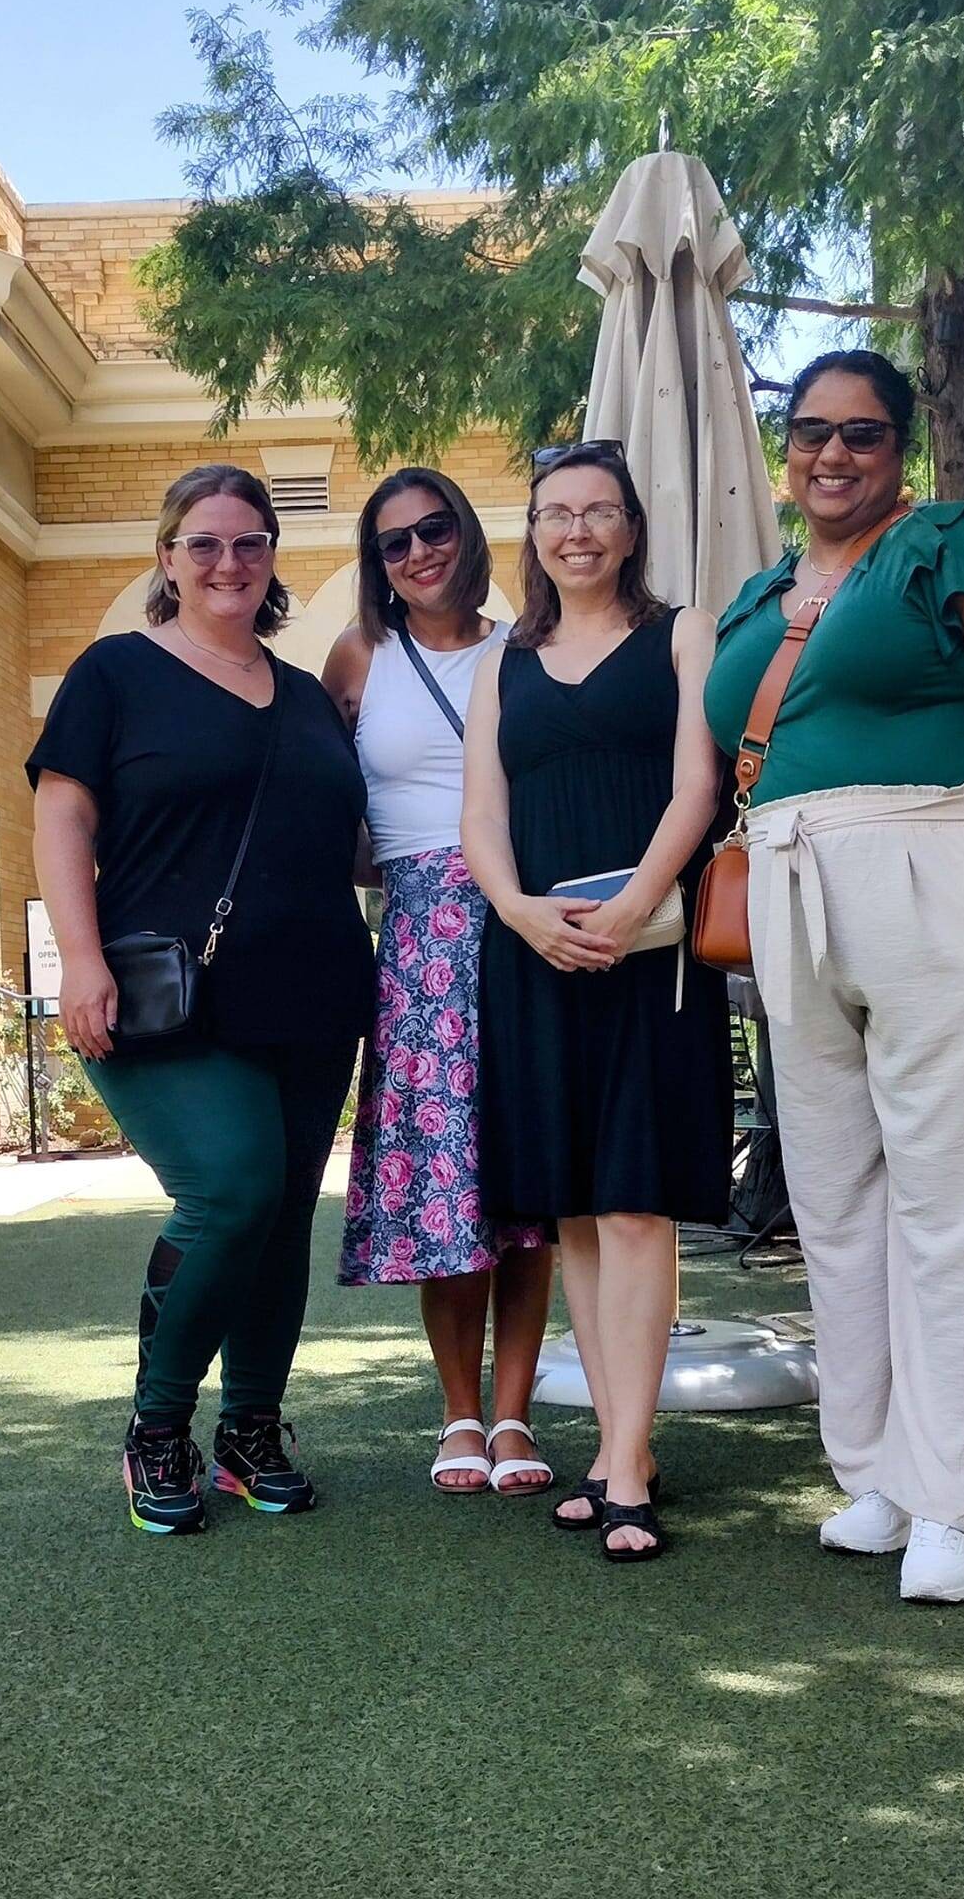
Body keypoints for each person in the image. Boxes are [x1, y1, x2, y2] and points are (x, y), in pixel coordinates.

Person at [704, 349, 964, 1605]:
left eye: (861, 433)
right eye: (811, 429)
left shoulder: (956, 545)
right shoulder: (759, 595)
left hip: (936, 868)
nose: (832, 452)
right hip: (791, 885)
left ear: (900, 446)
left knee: (955, 1201)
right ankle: (873, 1468)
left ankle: (953, 1496)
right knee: (834, 1195)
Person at [29, 463, 374, 1536]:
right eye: (206, 543)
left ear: (272, 556)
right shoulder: (116, 673)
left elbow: (347, 841)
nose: (230, 562)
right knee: (230, 1188)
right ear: (168, 558)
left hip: (313, 990)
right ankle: (157, 1427)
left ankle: (252, 1428)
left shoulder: (307, 695)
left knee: (282, 1213)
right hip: (164, 995)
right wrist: (77, 959)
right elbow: (62, 817)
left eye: (250, 542)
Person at [462, 441, 732, 1562]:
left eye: (599, 511)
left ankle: (625, 1460)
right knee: (574, 1206)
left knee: (634, 1204)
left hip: (651, 950)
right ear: (533, 532)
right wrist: (521, 911)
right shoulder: (502, 660)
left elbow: (698, 786)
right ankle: (625, 1447)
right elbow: (481, 814)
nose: (577, 531)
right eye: (556, 513)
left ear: (630, 528)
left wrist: (631, 905)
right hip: (533, 953)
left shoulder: (682, 633)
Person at [323, 468, 555, 1497]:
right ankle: (460, 1410)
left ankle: (514, 1414)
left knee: (526, 1189)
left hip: (526, 924)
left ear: (466, 533)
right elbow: (323, 797)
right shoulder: (359, 656)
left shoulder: (531, 647)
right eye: (394, 542)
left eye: (433, 529)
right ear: (378, 564)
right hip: (419, 936)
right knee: (443, 1186)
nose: (418, 552)